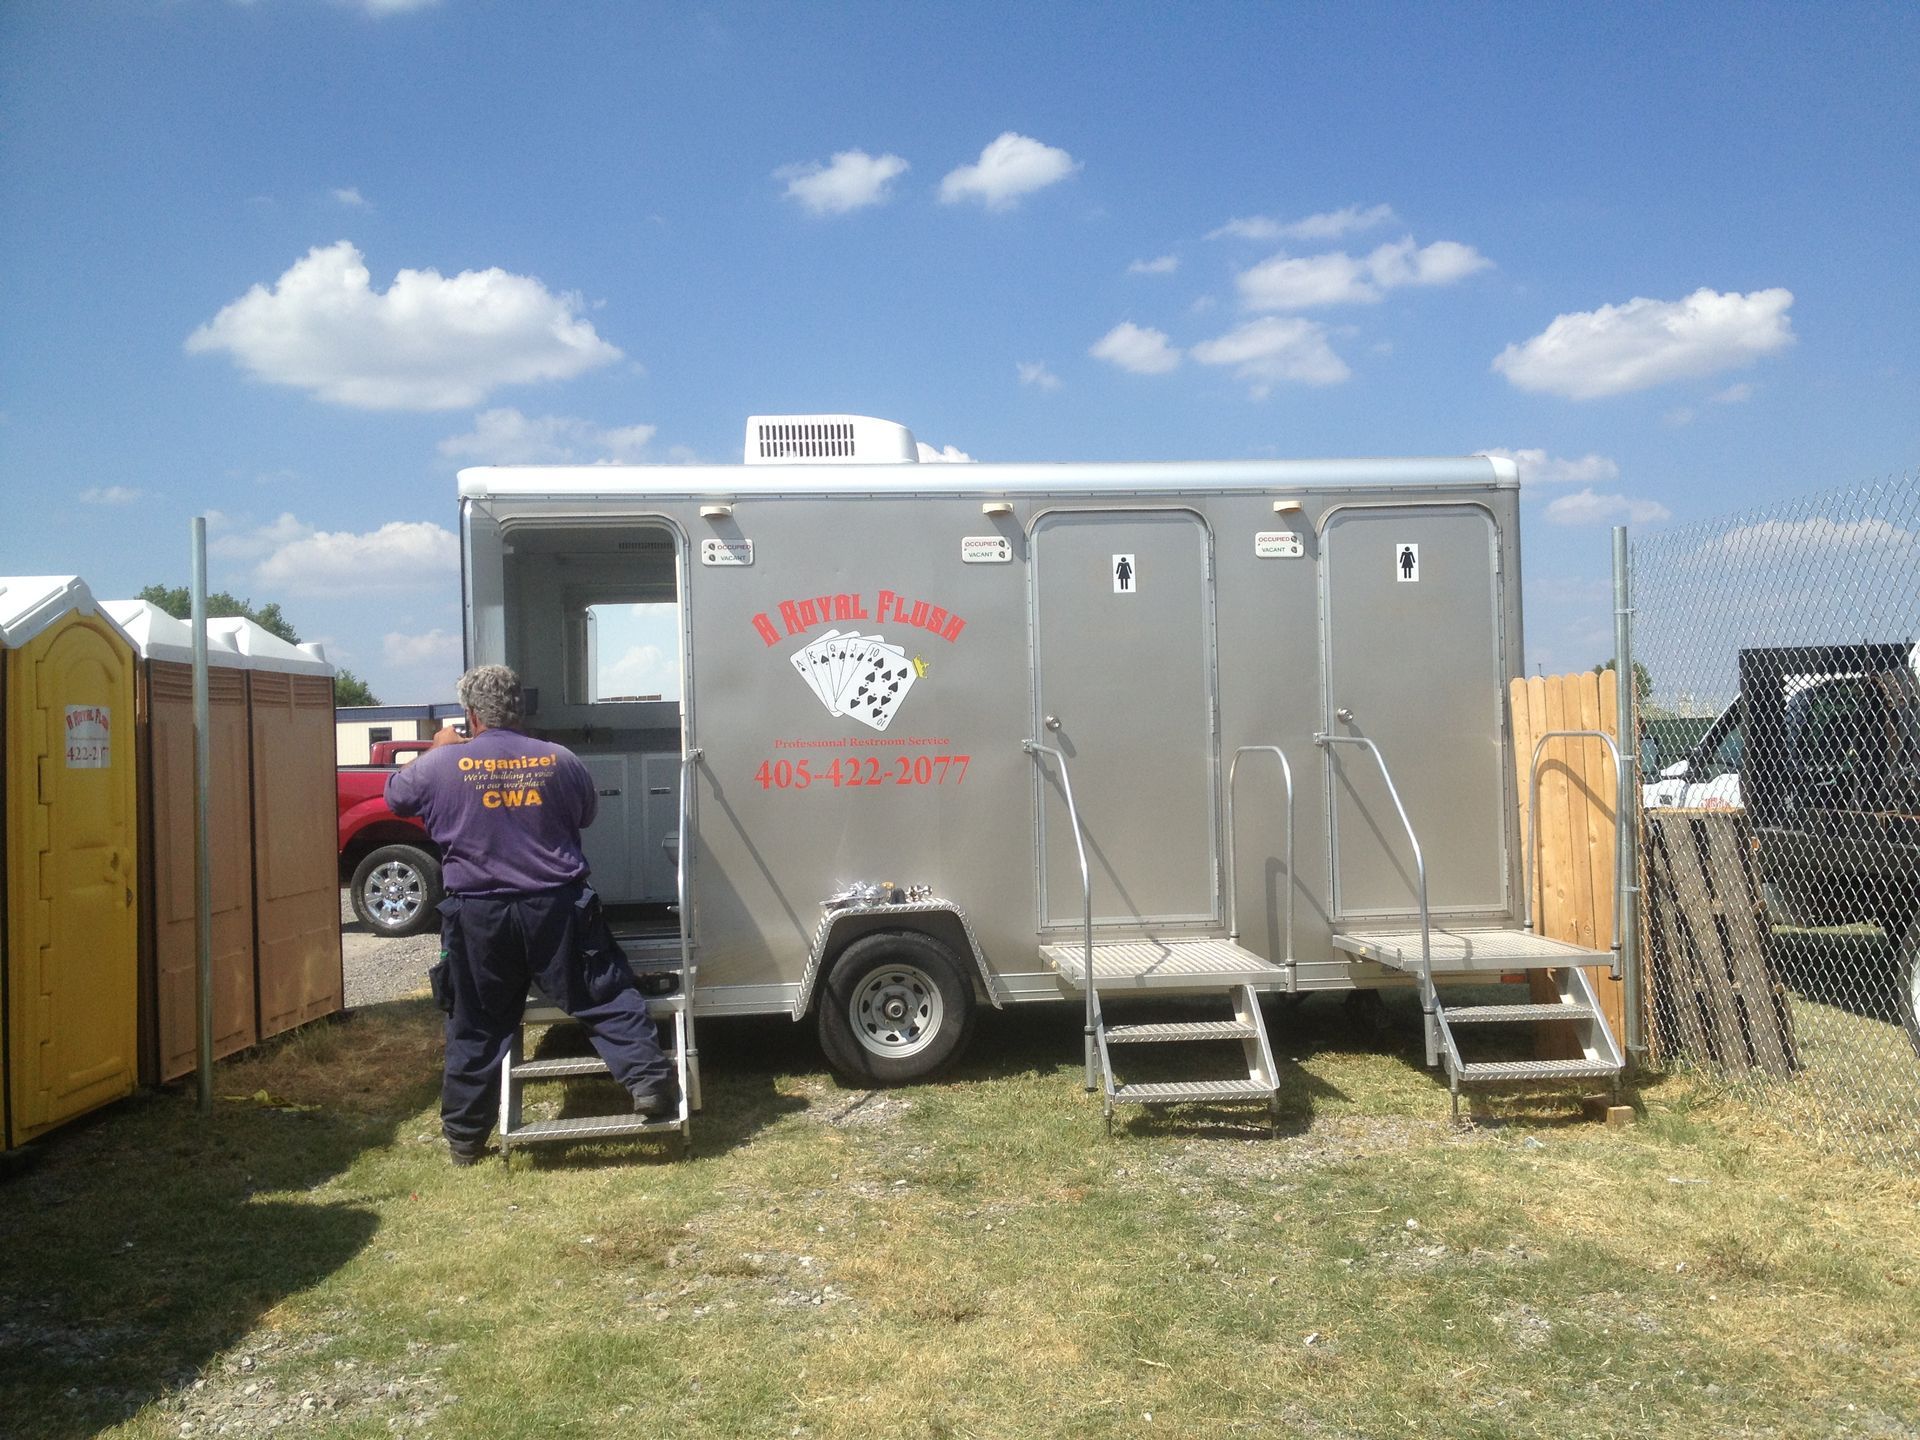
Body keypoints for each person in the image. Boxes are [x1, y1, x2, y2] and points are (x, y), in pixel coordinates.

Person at [386, 664, 678, 1165]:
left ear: (471, 714)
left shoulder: (441, 764)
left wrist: (440, 748)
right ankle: (649, 1085)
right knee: (600, 993)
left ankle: (465, 1138)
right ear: (519, 709)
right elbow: (585, 814)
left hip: (478, 915)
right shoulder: (559, 759)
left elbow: (395, 797)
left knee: (476, 1021)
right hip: (556, 906)